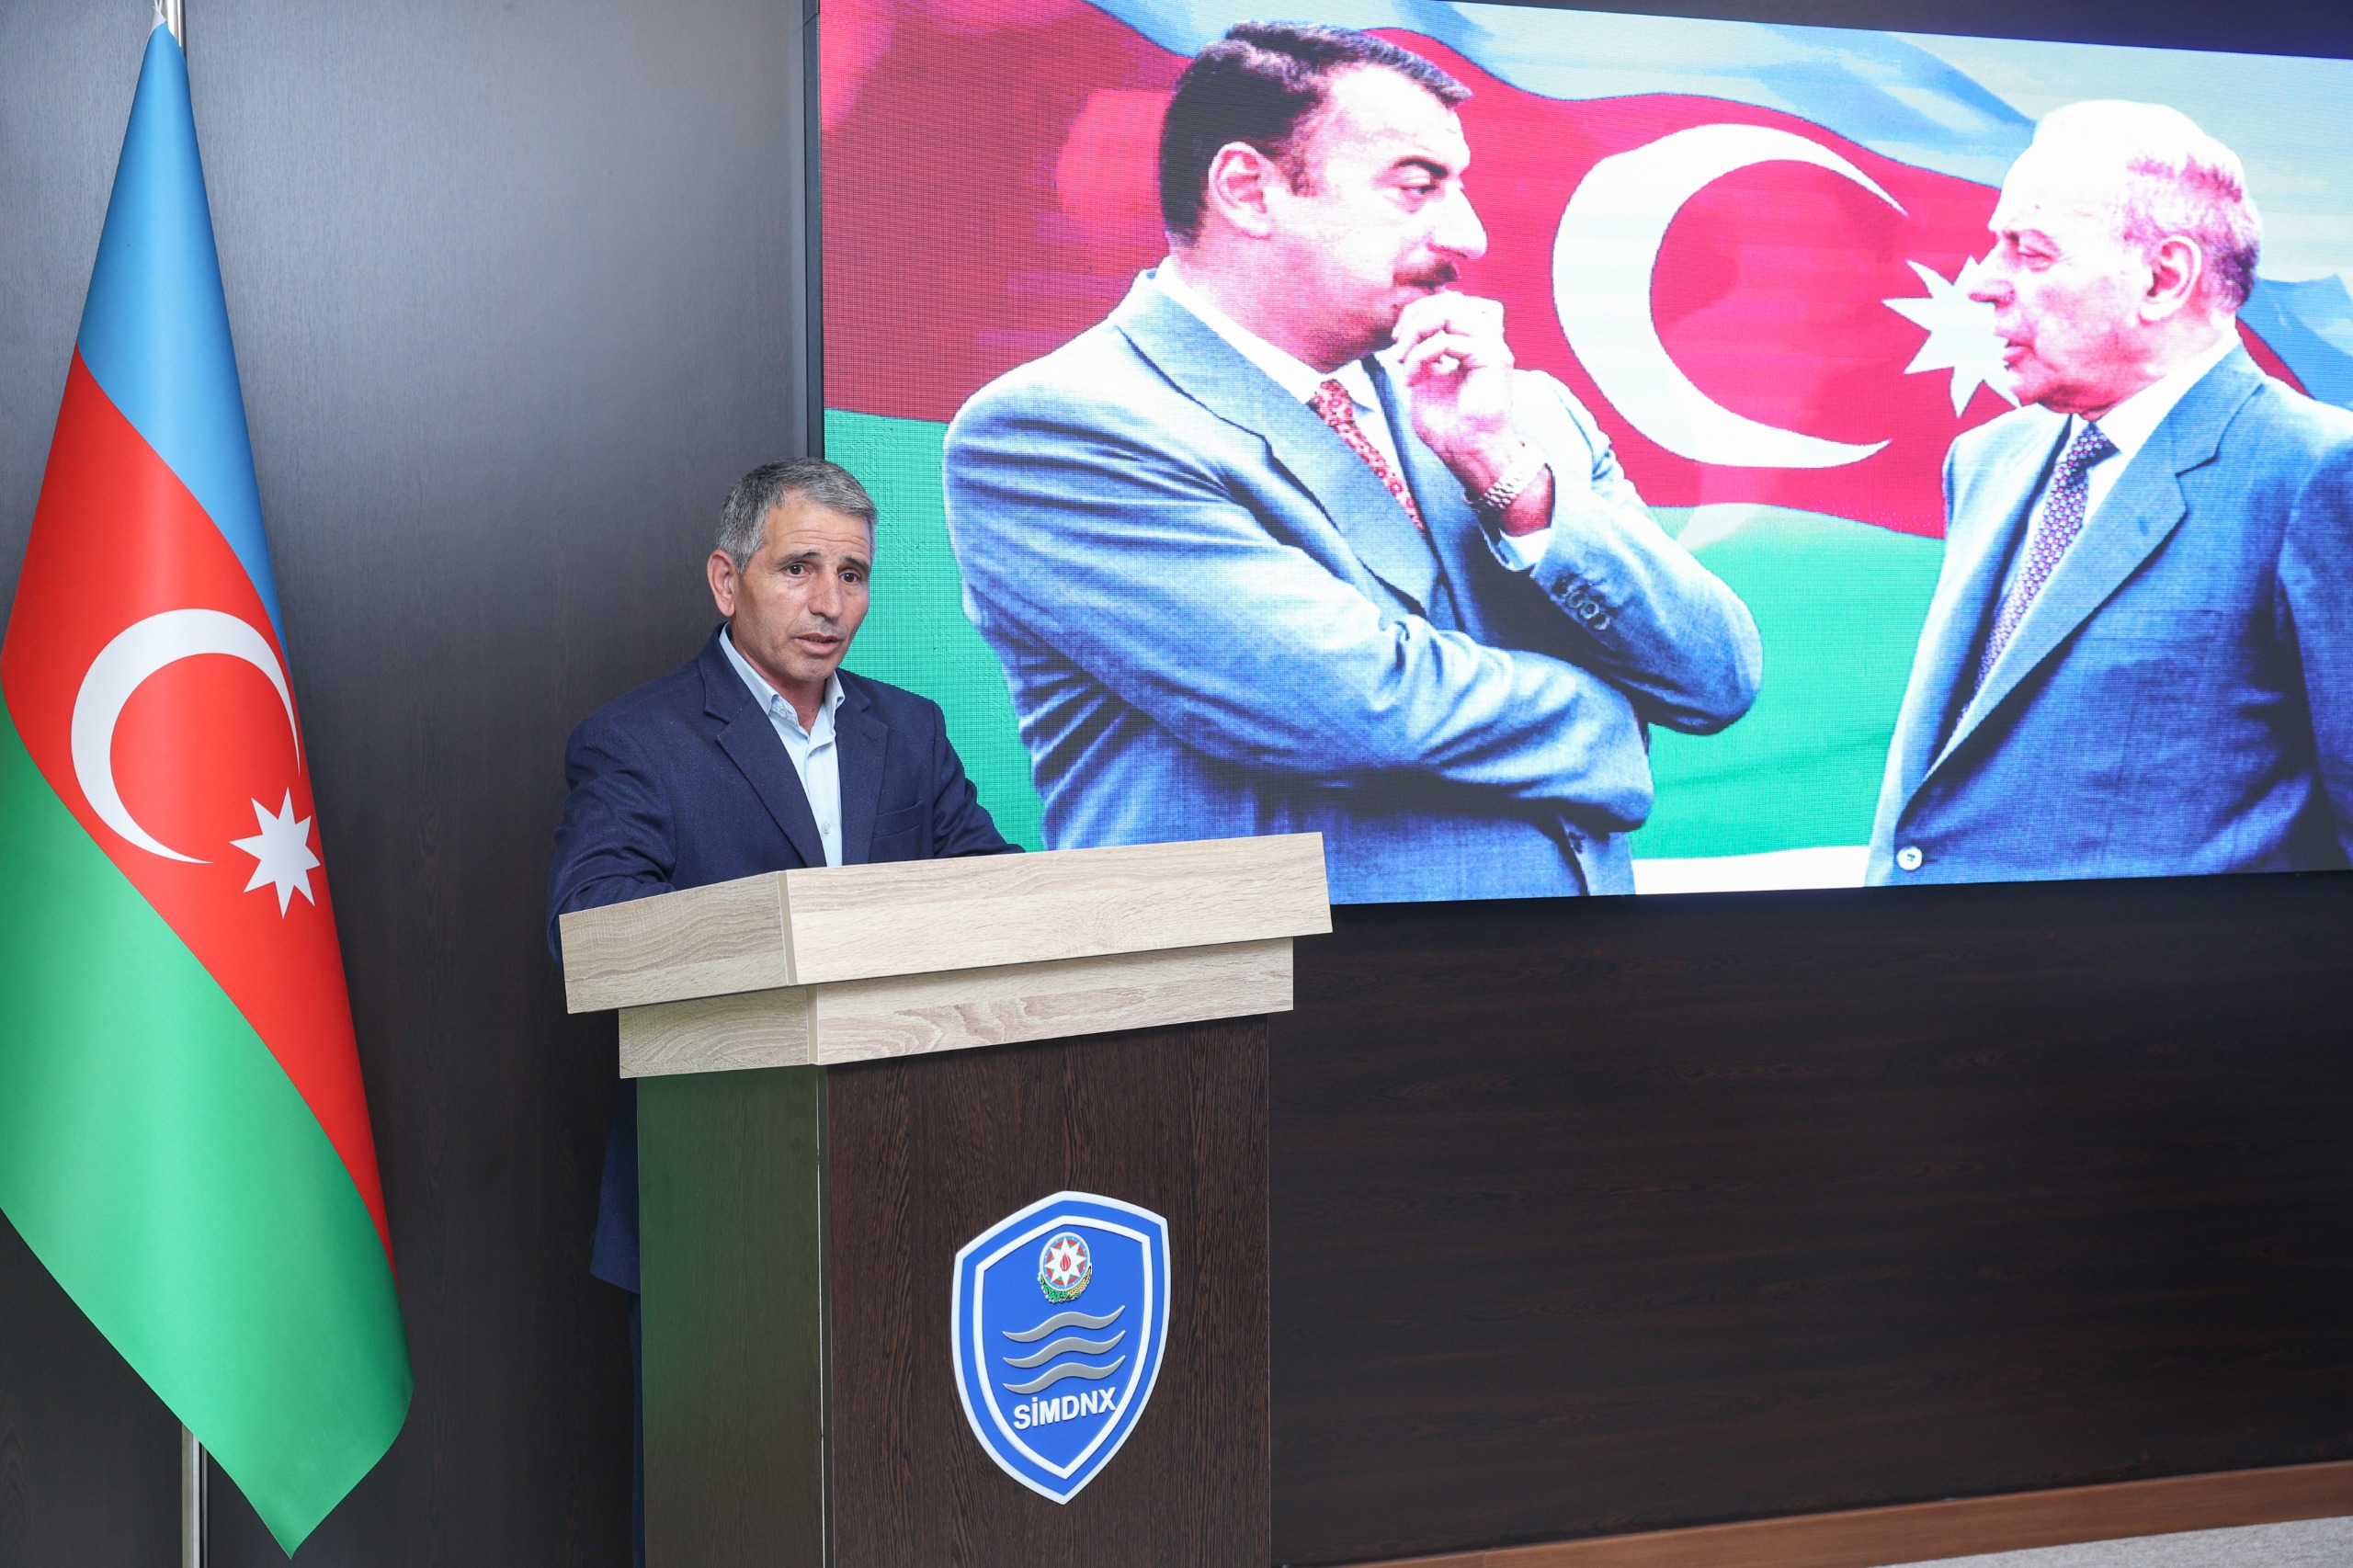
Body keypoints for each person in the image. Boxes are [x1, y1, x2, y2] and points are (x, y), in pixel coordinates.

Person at [942, 22, 1760, 903]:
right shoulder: (1062, 429)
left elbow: (1715, 679)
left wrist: (1506, 478)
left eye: (1461, 187)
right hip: (1291, 985)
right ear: (1249, 189)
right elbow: (1356, 709)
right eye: (1417, 186)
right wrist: (1612, 717)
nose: (1471, 235)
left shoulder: (1517, 415)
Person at [546, 458, 1015, 1564]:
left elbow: (995, 898)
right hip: (719, 1198)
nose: (828, 601)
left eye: (852, 575)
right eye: (797, 567)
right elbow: (588, 925)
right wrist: (799, 933)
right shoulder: (638, 738)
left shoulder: (911, 729)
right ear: (727, 580)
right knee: (726, 1513)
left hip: (909, 1188)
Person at [1868, 101, 2353, 885]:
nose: (1984, 283)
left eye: (2030, 252)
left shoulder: (2318, 474)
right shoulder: (1986, 459)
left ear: (2164, 278)